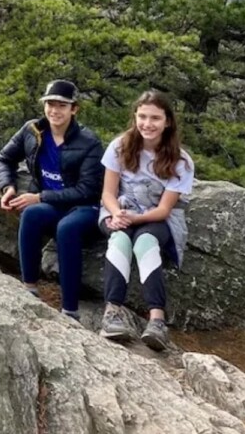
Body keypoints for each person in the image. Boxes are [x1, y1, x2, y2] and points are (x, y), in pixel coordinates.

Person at [0, 79, 104, 322]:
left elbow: (88, 189)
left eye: (62, 106)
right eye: (50, 104)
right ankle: (29, 289)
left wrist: (39, 196)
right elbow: (4, 159)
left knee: (67, 228)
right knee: (31, 214)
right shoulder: (32, 131)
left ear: (74, 109)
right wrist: (7, 187)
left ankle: (69, 310)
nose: (54, 110)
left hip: (84, 207)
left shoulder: (89, 142)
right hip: (52, 205)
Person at [98, 90, 194, 351]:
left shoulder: (181, 160)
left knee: (145, 243)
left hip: (154, 217)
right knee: (119, 241)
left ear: (168, 122)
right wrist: (116, 213)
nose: (147, 124)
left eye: (155, 118)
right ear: (135, 117)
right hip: (120, 211)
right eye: (142, 116)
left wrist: (137, 218)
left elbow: (164, 209)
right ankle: (112, 313)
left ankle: (157, 321)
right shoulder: (120, 146)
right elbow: (108, 192)